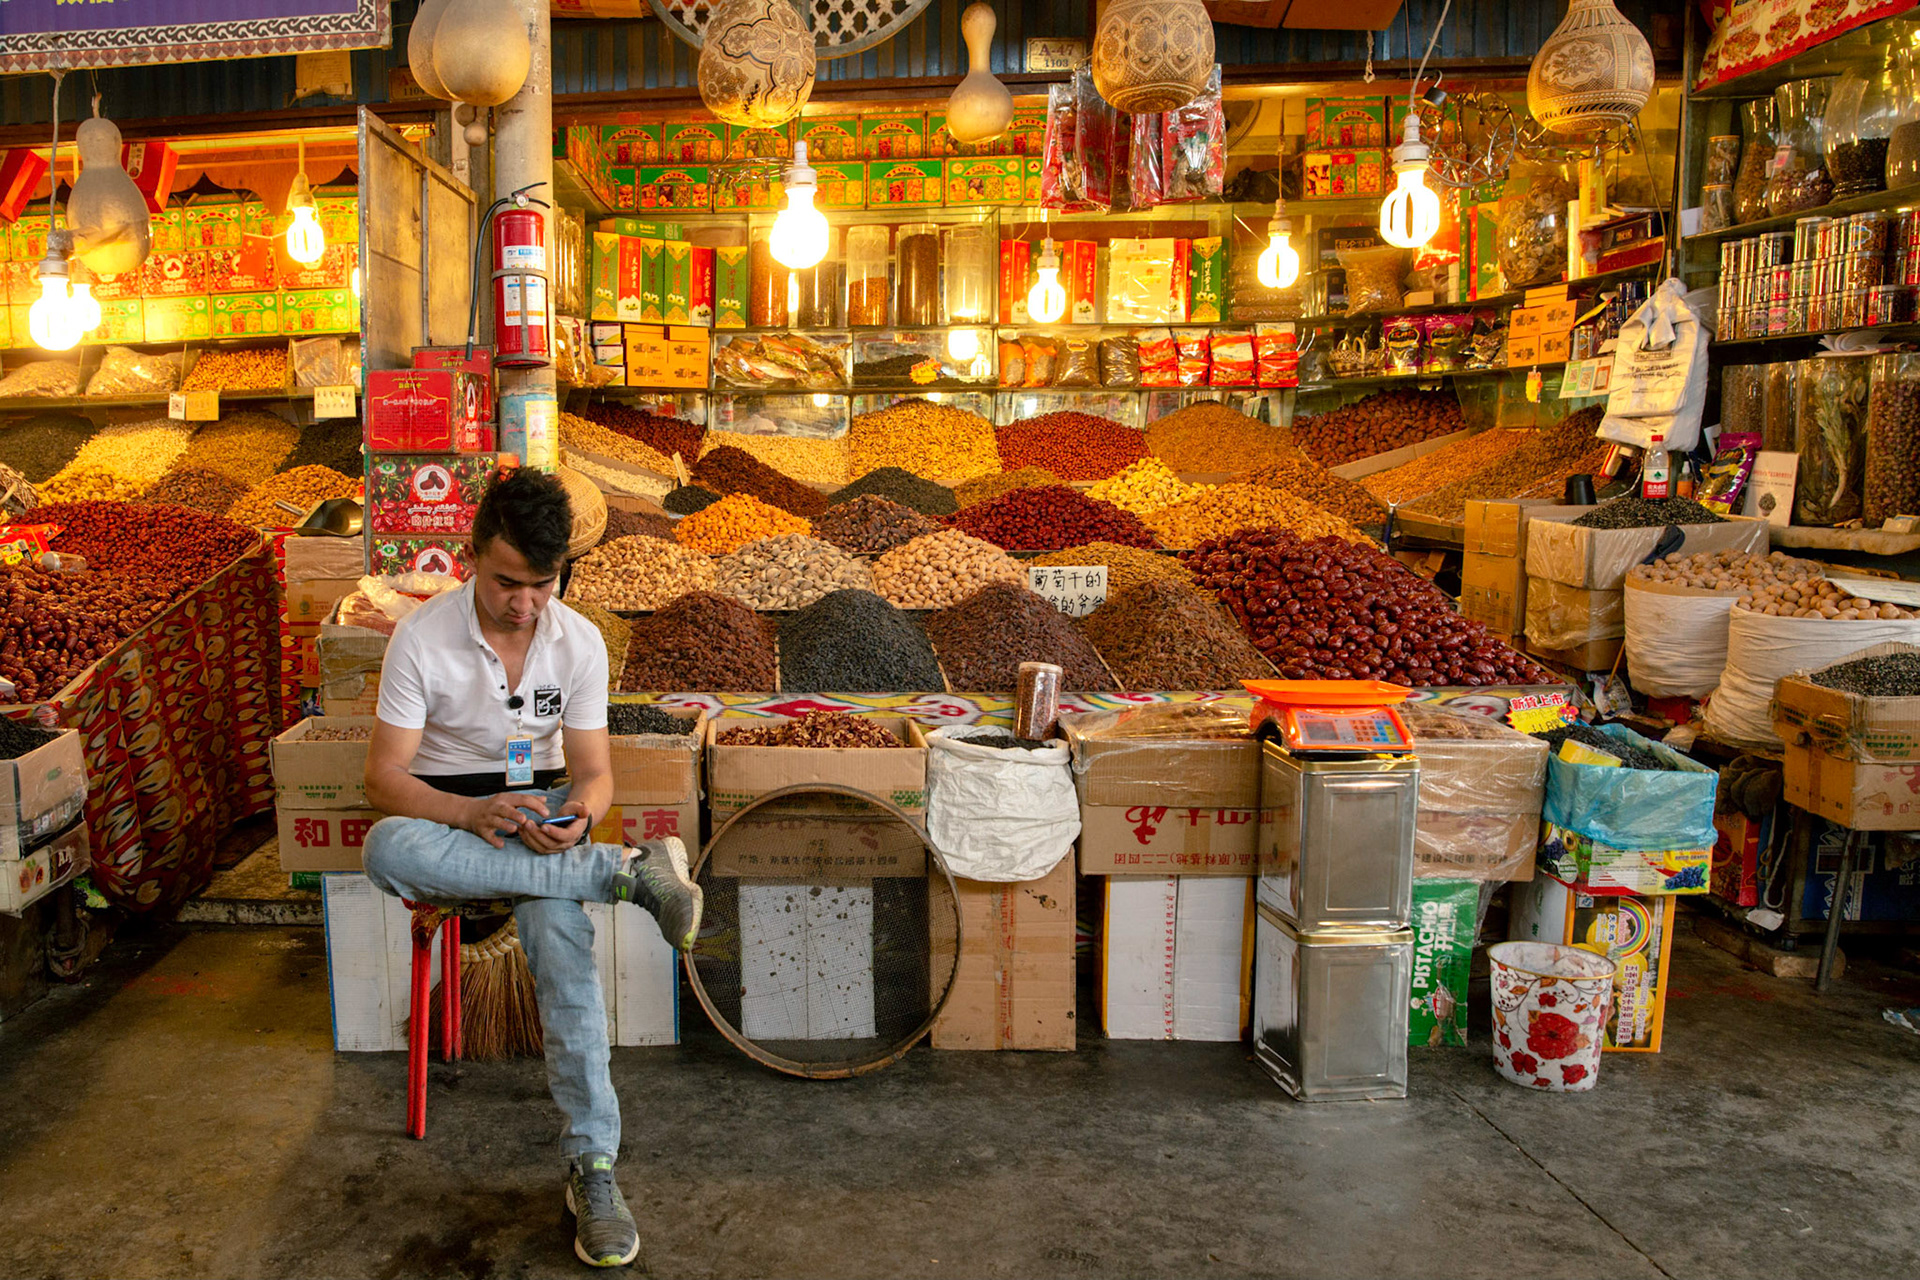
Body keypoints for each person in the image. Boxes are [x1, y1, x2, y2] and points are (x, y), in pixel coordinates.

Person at [360, 467, 700, 1270]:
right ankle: (621, 874)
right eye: (507, 583)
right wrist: (469, 814)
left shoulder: (577, 641)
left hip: (541, 814)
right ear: (472, 556)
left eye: (542, 585)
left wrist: (579, 814)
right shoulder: (421, 637)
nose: (524, 604)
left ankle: (595, 1166)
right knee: (384, 849)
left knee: (558, 942)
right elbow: (382, 780)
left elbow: (592, 772)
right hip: (444, 814)